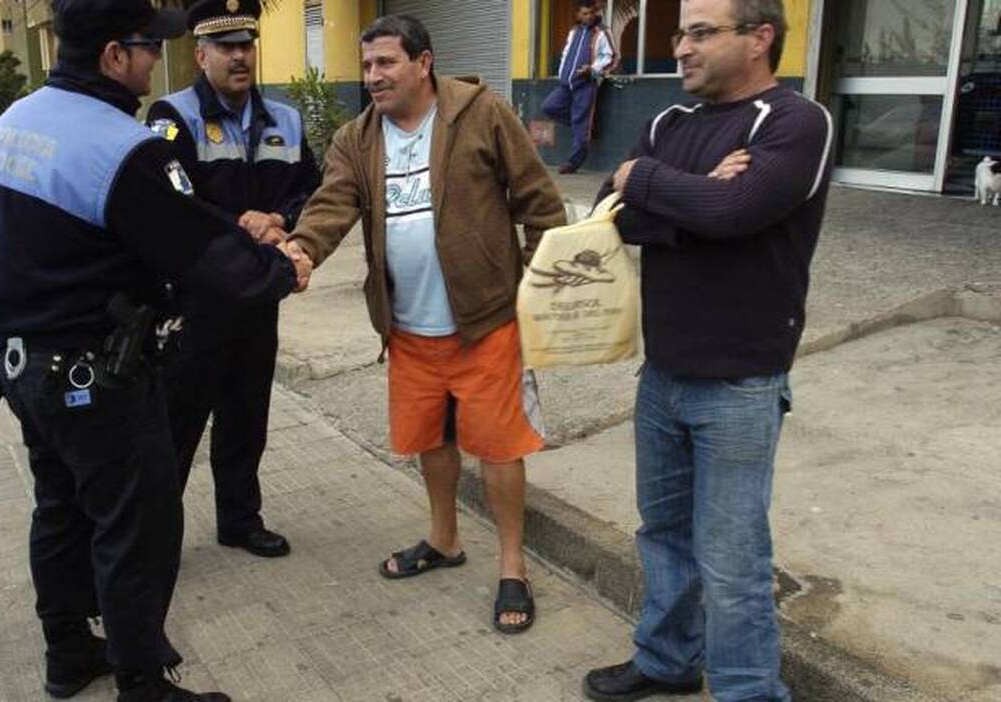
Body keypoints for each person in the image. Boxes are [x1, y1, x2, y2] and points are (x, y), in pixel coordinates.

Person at [0, 0, 308, 700]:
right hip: (95, 378)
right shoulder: (122, 147)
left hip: (24, 367)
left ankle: (68, 651)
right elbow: (198, 251)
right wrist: (281, 271)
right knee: (138, 525)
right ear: (112, 56)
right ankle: (143, 681)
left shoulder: (15, 122)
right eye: (148, 46)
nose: (158, 58)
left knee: (61, 511)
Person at [581, 1, 833, 700]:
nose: (680, 48)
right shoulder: (669, 121)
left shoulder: (794, 122)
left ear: (759, 38)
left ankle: (749, 690)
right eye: (680, 33)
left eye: (699, 32)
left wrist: (649, 181)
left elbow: (735, 211)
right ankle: (667, 661)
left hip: (741, 383)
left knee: (732, 560)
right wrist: (696, 200)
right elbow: (611, 215)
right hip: (662, 373)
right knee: (663, 534)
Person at [286, 14, 566, 634]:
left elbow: (539, 203)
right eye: (366, 66)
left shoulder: (482, 114)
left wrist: (539, 289)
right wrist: (302, 250)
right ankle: (444, 540)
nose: (373, 77)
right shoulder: (357, 138)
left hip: (485, 324)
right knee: (431, 441)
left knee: (500, 449)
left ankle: (513, 565)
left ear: (423, 62)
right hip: (408, 330)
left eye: (386, 63)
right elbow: (332, 204)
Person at [143, 0, 321, 559]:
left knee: (246, 415)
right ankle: (151, 542)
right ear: (201, 55)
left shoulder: (285, 119)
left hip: (257, 296)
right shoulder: (172, 116)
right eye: (225, 47)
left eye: (246, 44)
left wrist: (279, 219)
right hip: (194, 301)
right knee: (177, 424)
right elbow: (171, 204)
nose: (239, 56)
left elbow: (311, 188)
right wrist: (244, 226)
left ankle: (240, 520)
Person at [541, 0, 617, 174]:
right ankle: (586, 128)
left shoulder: (602, 32)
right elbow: (566, 54)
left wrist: (593, 70)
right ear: (578, 15)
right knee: (549, 107)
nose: (588, 16)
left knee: (580, 121)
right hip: (566, 85)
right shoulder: (574, 32)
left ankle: (573, 163)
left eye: (591, 13)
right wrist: (562, 73)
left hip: (586, 85)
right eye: (584, 13)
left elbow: (611, 57)